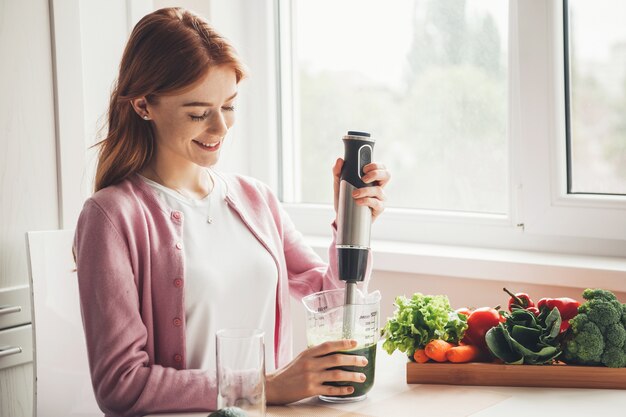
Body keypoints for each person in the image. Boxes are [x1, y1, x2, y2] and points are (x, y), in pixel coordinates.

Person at [74, 7, 390, 417]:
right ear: (142, 105)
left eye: (229, 106)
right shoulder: (112, 217)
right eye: (198, 112)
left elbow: (330, 304)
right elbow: (121, 384)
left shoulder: (255, 199)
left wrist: (352, 223)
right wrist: (264, 386)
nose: (221, 128)